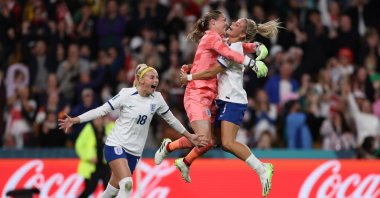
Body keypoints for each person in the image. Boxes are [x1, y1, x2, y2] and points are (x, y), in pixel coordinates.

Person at [155, 15, 280, 196]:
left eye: (236, 24)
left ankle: (262, 168)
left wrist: (190, 76)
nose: (231, 23)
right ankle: (183, 160)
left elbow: (216, 69)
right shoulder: (228, 43)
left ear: (242, 33)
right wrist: (257, 46)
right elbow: (227, 51)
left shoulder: (232, 49)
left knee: (227, 142)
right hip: (222, 99)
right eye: (231, 21)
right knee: (212, 140)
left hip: (232, 100)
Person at [59, 64, 207, 198]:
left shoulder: (157, 98)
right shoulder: (126, 94)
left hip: (134, 152)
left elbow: (171, 119)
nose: (156, 80)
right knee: (127, 183)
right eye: (152, 77)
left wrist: (189, 136)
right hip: (115, 145)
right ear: (141, 80)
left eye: (157, 77)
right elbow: (101, 110)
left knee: (112, 191)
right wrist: (75, 119)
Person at [75, 117, 114, 198]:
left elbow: (119, 130)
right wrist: (89, 157)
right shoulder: (88, 129)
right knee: (90, 188)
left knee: (108, 189)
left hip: (105, 164)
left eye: (100, 119)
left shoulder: (108, 127)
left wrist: (110, 122)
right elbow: (79, 146)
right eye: (96, 119)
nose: (98, 121)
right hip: (92, 166)